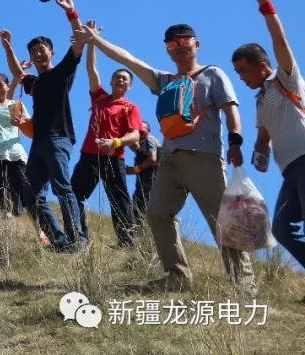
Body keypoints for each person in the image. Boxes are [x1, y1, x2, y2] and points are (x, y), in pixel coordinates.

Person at [74, 20, 256, 294]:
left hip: (204, 157)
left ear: (196, 44)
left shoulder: (213, 74)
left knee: (220, 220)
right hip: (170, 160)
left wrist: (235, 141)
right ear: (168, 51)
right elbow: (129, 60)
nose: (179, 46)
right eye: (172, 43)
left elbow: (231, 110)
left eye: (185, 40)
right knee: (157, 213)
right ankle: (177, 277)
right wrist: (96, 41)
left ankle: (244, 285)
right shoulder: (164, 80)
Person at [0, 0, 87, 253]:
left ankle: (78, 240)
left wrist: (71, 13)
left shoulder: (61, 73)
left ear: (51, 52)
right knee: (30, 194)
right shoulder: (35, 83)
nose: (37, 54)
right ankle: (59, 242)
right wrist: (8, 47)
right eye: (33, 51)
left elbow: (79, 42)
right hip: (38, 143)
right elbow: (17, 72)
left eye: (41, 50)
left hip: (59, 138)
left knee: (62, 188)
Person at [232, 0, 305, 278]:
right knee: (282, 229)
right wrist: (257, 155)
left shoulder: (286, 79)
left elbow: (280, 41)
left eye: (243, 70)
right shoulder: (260, 100)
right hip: (290, 171)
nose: (240, 77)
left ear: (262, 66)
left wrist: (265, 5)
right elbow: (263, 138)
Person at [71, 20, 142, 248]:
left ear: (129, 86)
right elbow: (91, 70)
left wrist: (116, 142)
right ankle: (78, 236)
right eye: (117, 77)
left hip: (114, 157)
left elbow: (136, 135)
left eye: (125, 79)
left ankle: (126, 243)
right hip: (90, 155)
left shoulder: (130, 107)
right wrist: (92, 42)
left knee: (120, 200)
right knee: (74, 194)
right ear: (111, 81)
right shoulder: (99, 97)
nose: (120, 80)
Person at [0, 71, 51, 246]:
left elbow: (30, 131)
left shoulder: (14, 106)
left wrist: (21, 123)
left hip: (14, 154)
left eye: (1, 85)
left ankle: (41, 232)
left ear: (7, 86)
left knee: (28, 193)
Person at [127, 121, 160, 223]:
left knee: (143, 210)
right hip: (144, 185)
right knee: (137, 211)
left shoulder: (150, 139)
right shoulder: (143, 144)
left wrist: (135, 169)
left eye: (142, 131)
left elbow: (152, 159)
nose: (139, 133)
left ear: (148, 130)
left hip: (151, 183)